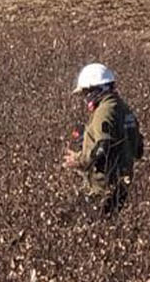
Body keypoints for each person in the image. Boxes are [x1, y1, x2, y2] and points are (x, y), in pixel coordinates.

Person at [62, 63, 144, 217]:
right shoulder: (124, 108)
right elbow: (138, 150)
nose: (85, 98)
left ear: (96, 89)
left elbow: (102, 149)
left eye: (86, 92)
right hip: (122, 185)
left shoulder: (104, 111)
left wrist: (80, 160)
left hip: (103, 187)